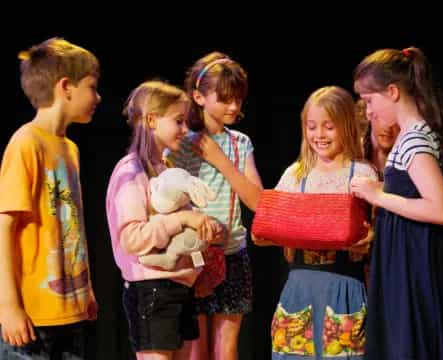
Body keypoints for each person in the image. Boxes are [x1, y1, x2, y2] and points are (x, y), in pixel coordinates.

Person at [198, 86, 377, 359]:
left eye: (329, 127)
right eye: (312, 126)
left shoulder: (361, 173)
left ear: (347, 126)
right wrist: (273, 235)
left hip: (343, 285)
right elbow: (265, 227)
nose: (319, 135)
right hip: (300, 286)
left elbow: (376, 228)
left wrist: (371, 236)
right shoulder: (296, 175)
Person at [351, 46, 443, 360]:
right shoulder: (409, 135)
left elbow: (440, 210)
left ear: (393, 92)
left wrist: (379, 196)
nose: (368, 111)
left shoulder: (414, 139)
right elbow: (411, 191)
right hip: (404, 255)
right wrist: (379, 187)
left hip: (415, 261)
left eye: (370, 101)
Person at [105, 80, 223, 360]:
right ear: (151, 120)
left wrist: (200, 263)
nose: (185, 129)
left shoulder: (170, 170)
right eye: (179, 121)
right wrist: (183, 217)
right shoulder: (130, 171)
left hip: (180, 289)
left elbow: (186, 236)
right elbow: (132, 240)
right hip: (152, 290)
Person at [0, 37, 100, 359]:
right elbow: (5, 229)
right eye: (92, 87)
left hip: (70, 312)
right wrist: (8, 305)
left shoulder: (70, 149)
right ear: (66, 86)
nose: (97, 97)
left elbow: (71, 225)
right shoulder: (26, 144)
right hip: (33, 316)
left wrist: (86, 290)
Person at [167, 51, 263, 360]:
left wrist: (219, 160)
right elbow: (167, 197)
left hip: (233, 253)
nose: (234, 106)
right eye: (225, 99)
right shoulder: (181, 143)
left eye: (238, 99)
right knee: (196, 348)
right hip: (194, 256)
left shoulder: (240, 143)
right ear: (198, 96)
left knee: (227, 348)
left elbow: (258, 201)